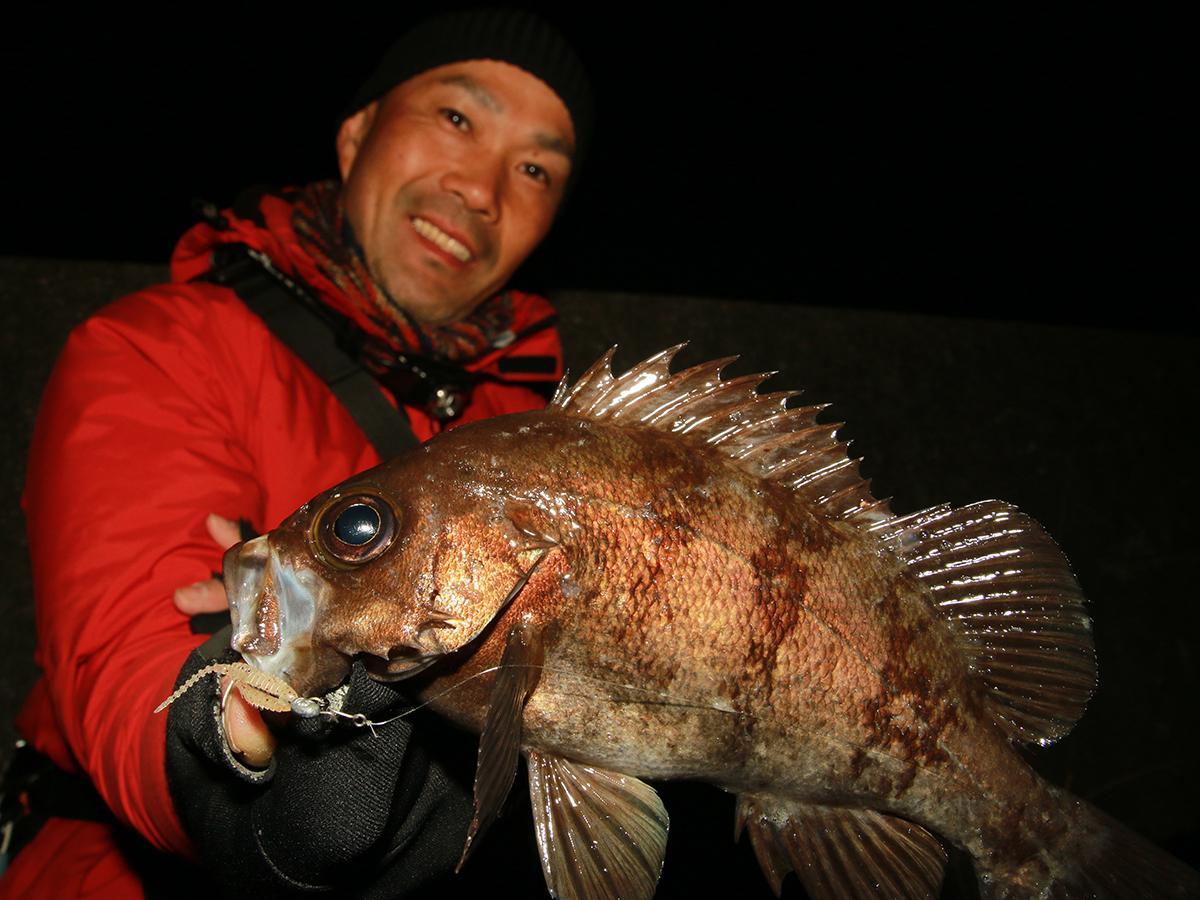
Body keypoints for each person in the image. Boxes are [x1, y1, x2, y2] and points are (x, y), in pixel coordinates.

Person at [0, 8, 592, 898]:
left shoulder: (559, 439)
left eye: (536, 167)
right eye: (457, 119)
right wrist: (226, 742)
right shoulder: (162, 348)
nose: (481, 188)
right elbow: (130, 667)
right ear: (357, 135)